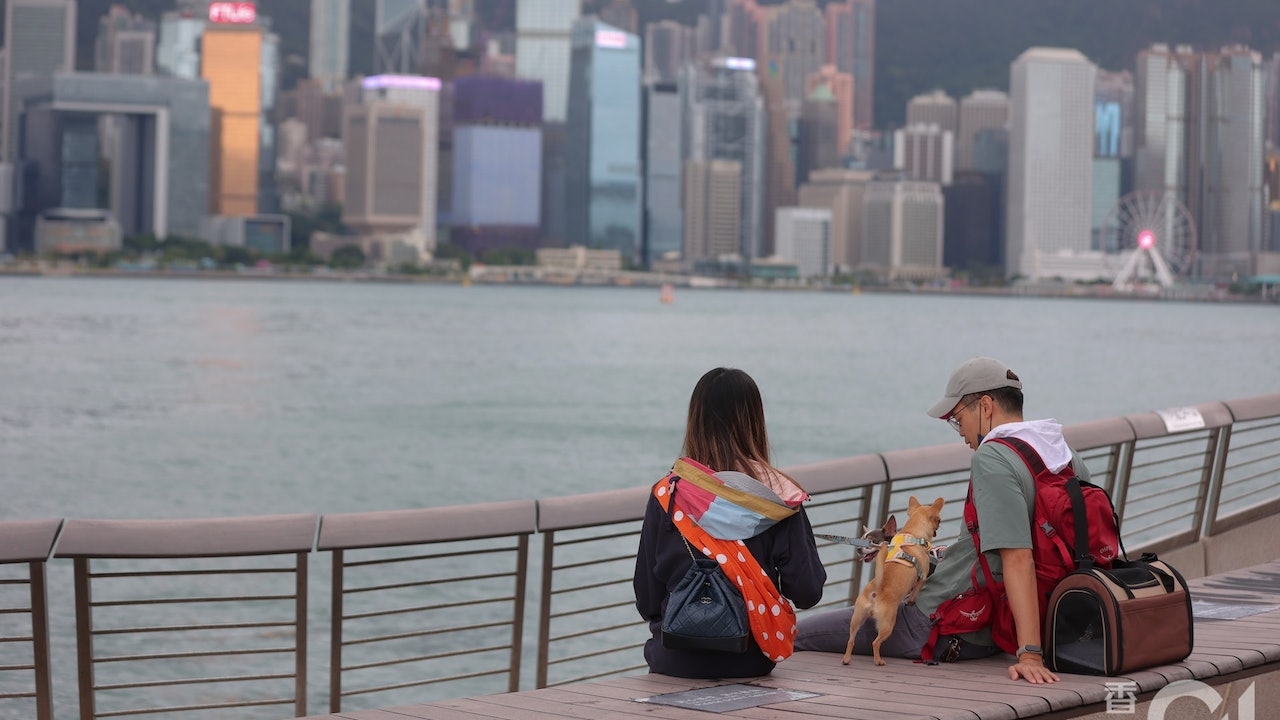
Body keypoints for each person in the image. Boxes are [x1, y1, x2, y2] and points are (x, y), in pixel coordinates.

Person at [795, 357, 1078, 684]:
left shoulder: (993, 456)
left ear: (985, 407)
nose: (961, 434)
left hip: (945, 624)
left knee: (800, 633)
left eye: (958, 419)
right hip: (998, 624)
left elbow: (1018, 558)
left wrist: (1030, 655)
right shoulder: (1059, 450)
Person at [633, 367, 826, 678]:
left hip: (673, 660)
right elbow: (808, 591)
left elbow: (647, 599)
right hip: (749, 661)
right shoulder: (776, 499)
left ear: (694, 420)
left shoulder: (667, 495)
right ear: (755, 421)